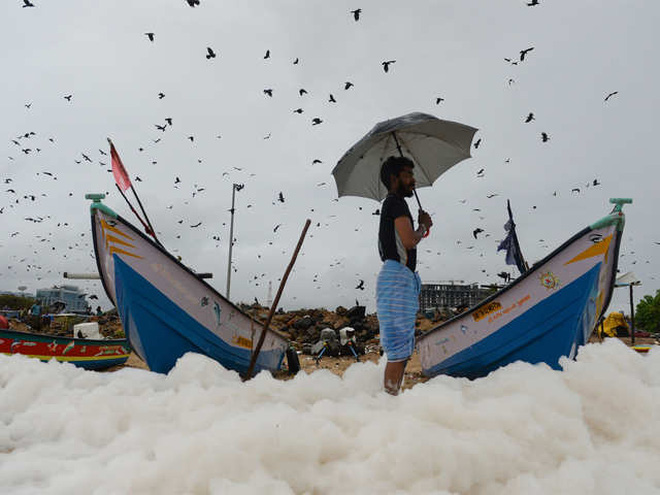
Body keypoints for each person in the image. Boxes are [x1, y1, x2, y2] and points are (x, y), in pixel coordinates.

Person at [376, 156, 433, 395]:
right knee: (399, 349)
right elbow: (409, 241)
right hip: (397, 279)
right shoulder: (396, 203)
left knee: (401, 348)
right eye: (408, 174)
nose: (413, 180)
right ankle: (388, 403)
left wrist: (420, 226)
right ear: (394, 178)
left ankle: (390, 400)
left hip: (398, 279)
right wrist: (423, 226)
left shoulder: (394, 204)